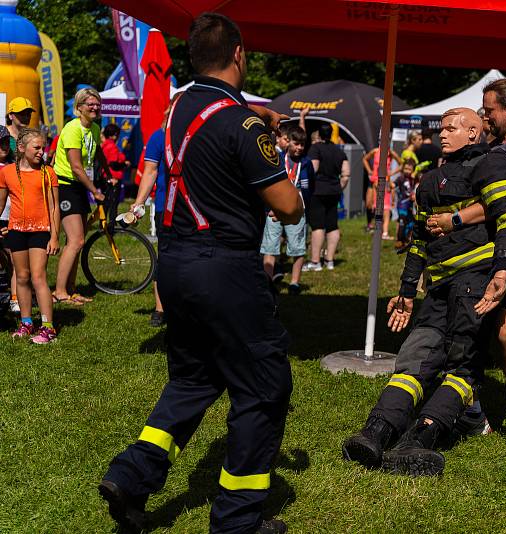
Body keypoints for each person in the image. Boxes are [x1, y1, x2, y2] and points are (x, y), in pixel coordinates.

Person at [99, 13, 303, 534]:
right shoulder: (242, 122)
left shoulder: (174, 108)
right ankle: (237, 521)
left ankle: (131, 474)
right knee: (263, 386)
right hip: (224, 264)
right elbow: (290, 207)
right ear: (239, 54)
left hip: (176, 262)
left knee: (194, 378)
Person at [342, 107, 506, 476]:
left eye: (451, 128)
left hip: (473, 283)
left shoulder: (492, 164)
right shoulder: (431, 180)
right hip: (443, 289)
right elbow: (420, 241)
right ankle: (384, 434)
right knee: (428, 364)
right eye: (441, 128)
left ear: (474, 132)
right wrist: (407, 291)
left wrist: (502, 268)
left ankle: (400, 435)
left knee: (448, 362)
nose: (442, 134)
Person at [426, 78, 506, 451]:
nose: (484, 116)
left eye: (489, 110)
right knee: (470, 324)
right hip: (486, 243)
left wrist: (455, 220)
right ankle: (473, 412)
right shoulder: (493, 147)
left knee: (505, 330)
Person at [0, 128, 60, 344]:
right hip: (16, 230)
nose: (41, 152)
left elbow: (54, 207)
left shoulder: (47, 172)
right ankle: (26, 323)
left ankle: (48, 327)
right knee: (22, 277)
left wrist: (54, 236)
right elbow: (1, 203)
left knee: (38, 277)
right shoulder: (6, 172)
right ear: (22, 148)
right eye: (37, 147)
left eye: (43, 148)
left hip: (40, 231)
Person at [52, 87, 109, 306]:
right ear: (79, 108)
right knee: (76, 240)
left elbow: (98, 151)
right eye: (90, 104)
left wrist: (109, 174)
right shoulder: (72, 128)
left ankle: (71, 289)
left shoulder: (94, 128)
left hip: (79, 187)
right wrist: (95, 191)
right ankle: (59, 291)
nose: (95, 107)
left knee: (76, 241)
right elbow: (76, 166)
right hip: (66, 186)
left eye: (97, 104)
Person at [129, 99, 177, 327]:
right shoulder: (159, 136)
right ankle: (160, 308)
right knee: (166, 257)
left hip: (196, 207)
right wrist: (138, 203)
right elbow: (149, 172)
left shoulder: (199, 134)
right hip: (165, 207)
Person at [262, 125, 313, 295]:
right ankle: (268, 283)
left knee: (297, 247)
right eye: (296, 143)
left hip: (297, 211)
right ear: (288, 142)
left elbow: (310, 187)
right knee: (270, 247)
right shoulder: (276, 158)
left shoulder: (306, 163)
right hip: (274, 210)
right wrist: (269, 206)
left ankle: (294, 283)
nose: (299, 148)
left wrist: (302, 207)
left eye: (302, 145)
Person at [306, 123, 349, 271]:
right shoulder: (338, 151)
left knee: (318, 225)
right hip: (334, 191)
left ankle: (315, 261)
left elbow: (314, 168)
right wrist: (338, 187)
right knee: (332, 224)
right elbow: (346, 174)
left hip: (318, 190)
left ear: (319, 134)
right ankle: (329, 260)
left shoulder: (315, 148)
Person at [362, 146, 401, 233]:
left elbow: (401, 164)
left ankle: (380, 227)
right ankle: (370, 224)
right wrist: (369, 171)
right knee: (369, 203)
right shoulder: (375, 151)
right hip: (373, 179)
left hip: (383, 180)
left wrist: (391, 173)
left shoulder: (390, 152)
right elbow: (364, 159)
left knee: (382, 205)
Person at [0, 126, 17, 313]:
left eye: (5, 141)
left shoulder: (15, 167)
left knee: (13, 260)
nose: (3, 146)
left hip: (11, 219)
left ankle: (14, 299)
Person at [394, 159, 416, 248]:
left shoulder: (414, 179)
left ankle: (406, 239)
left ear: (413, 170)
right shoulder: (401, 178)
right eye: (405, 169)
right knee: (402, 221)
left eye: (409, 169)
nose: (407, 171)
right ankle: (399, 241)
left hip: (410, 205)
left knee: (411, 223)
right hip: (402, 205)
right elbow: (394, 184)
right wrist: (391, 185)